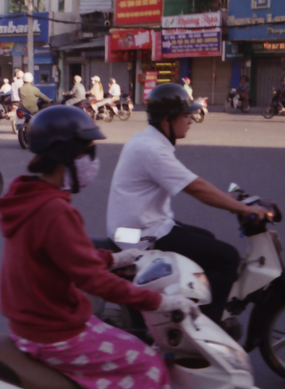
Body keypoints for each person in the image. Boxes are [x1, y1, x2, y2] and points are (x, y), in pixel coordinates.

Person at [0, 104, 187, 389]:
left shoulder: (29, 198)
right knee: (147, 363)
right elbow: (93, 281)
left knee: (120, 340)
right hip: (55, 330)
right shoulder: (54, 210)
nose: (92, 163)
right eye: (88, 153)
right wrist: (156, 302)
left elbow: (71, 257)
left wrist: (115, 257)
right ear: (67, 156)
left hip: (31, 322)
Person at [107, 83, 269, 324]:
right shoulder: (152, 150)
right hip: (137, 235)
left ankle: (191, 302)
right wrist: (244, 208)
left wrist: (229, 199)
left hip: (137, 227)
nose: (191, 119)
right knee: (227, 258)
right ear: (167, 120)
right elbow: (196, 188)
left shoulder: (149, 141)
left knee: (207, 238)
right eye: (186, 115)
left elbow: (191, 180)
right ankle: (203, 328)